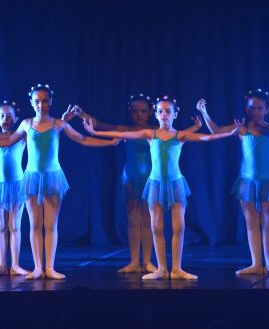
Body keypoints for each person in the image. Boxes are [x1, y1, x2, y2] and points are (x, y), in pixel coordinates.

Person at [0, 84, 119, 279]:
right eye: (37, 101)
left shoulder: (59, 124)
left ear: (51, 102)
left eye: (45, 101)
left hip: (53, 177)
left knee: (51, 225)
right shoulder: (26, 124)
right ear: (32, 103)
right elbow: (7, 141)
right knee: (34, 225)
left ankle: (50, 267)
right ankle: (38, 268)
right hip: (31, 178)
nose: (41, 105)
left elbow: (82, 139)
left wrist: (109, 142)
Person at [84, 95, 240, 280]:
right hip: (155, 185)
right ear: (156, 115)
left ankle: (177, 269)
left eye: (167, 111)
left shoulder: (180, 135)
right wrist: (95, 132)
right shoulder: (150, 134)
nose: (163, 115)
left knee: (179, 227)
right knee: (156, 226)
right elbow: (121, 135)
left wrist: (230, 133)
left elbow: (206, 138)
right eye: (160, 111)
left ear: (175, 114)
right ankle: (161, 269)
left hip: (175, 184)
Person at [69, 95, 201, 273]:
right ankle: (133, 261)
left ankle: (147, 261)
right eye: (135, 111)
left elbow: (180, 136)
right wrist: (81, 114)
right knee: (133, 219)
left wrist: (197, 126)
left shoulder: (156, 131)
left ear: (150, 112)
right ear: (130, 112)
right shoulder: (125, 130)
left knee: (149, 221)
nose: (139, 115)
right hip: (130, 178)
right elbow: (99, 125)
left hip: (151, 180)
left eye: (143, 111)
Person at [196, 89, 269, 275]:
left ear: (267, 109)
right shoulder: (242, 129)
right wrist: (204, 112)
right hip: (247, 180)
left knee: (268, 221)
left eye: (260, 108)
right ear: (247, 109)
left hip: (267, 179)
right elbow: (216, 131)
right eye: (252, 108)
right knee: (251, 222)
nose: (255, 112)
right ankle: (256, 264)